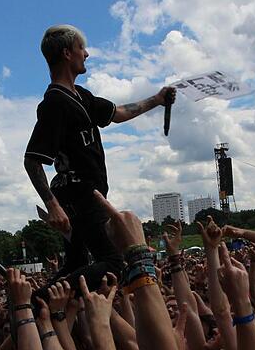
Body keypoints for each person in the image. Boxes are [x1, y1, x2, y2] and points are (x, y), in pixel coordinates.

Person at [24, 24, 175, 286]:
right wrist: (52, 205)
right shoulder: (55, 103)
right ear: (67, 53)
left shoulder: (81, 96)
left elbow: (119, 113)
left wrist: (158, 99)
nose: (87, 54)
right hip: (80, 196)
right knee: (114, 263)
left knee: (77, 264)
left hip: (82, 195)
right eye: (81, 47)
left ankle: (48, 312)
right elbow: (32, 159)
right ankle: (38, 304)